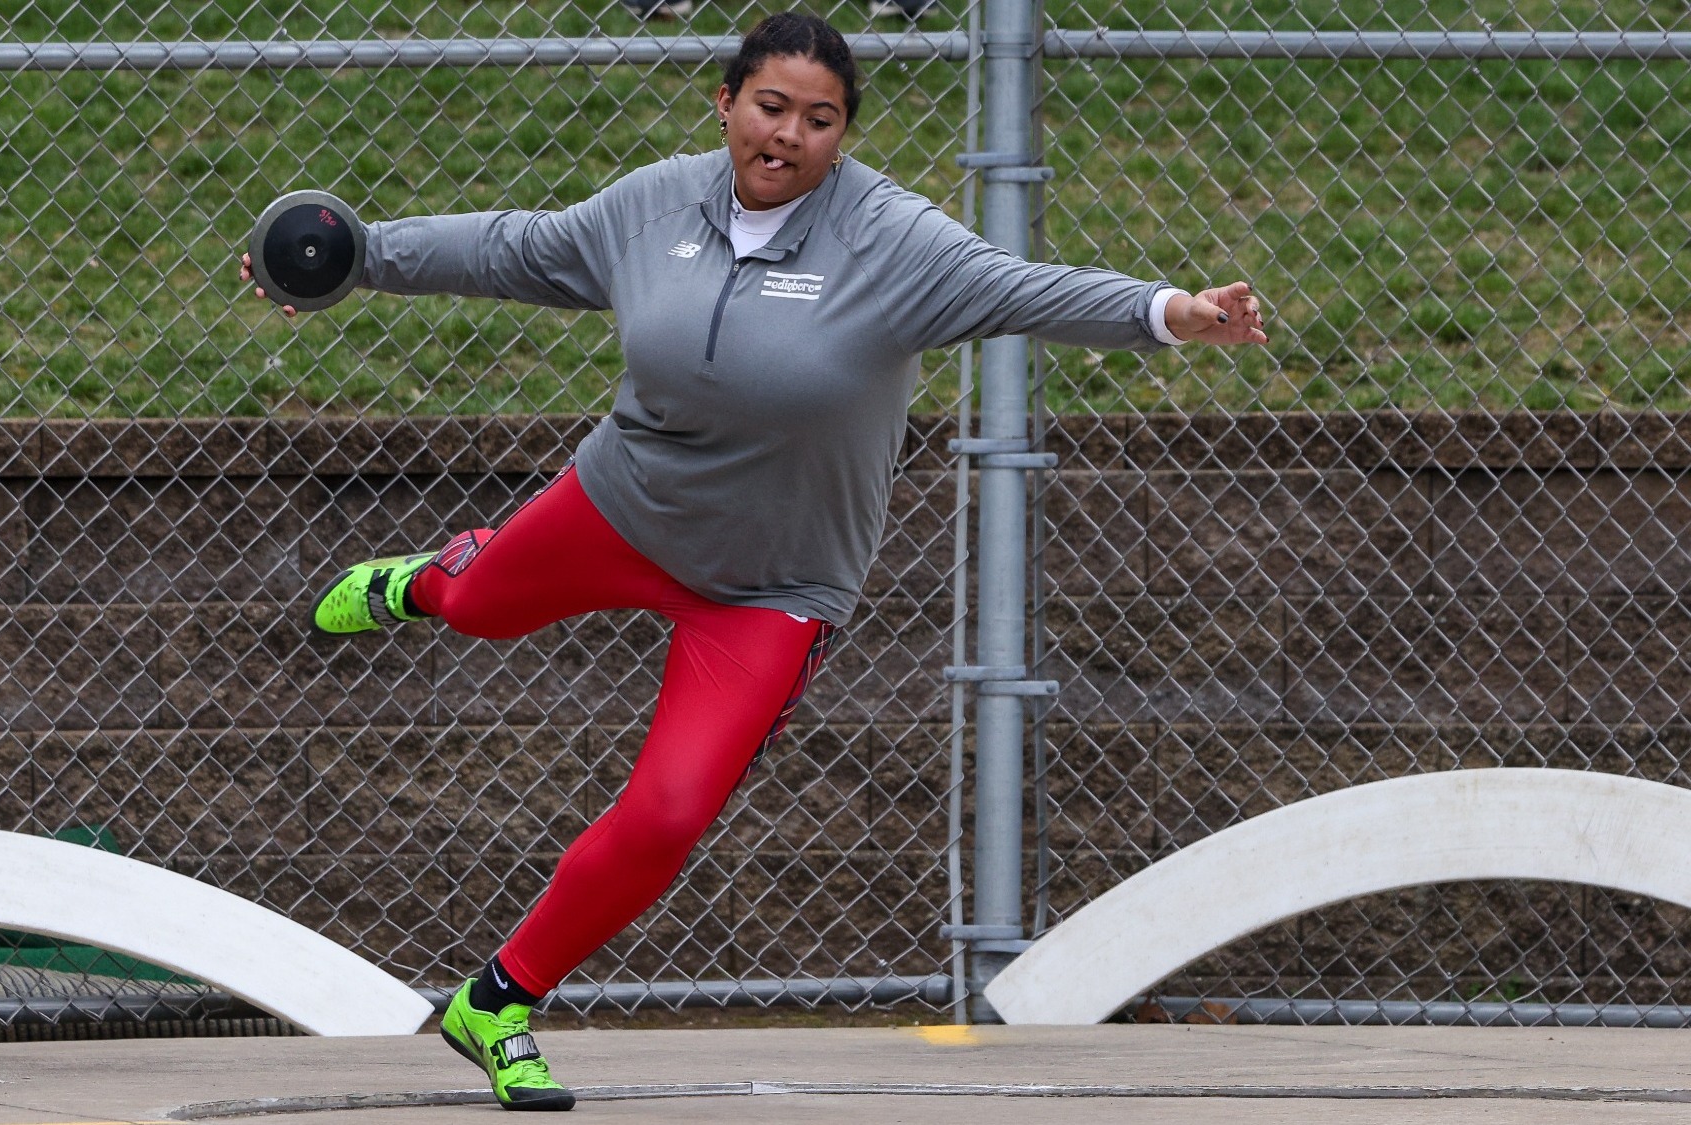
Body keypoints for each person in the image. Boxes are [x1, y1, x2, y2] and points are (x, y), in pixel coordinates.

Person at [242, 11, 1265, 1111]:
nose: (788, 136)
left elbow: (1029, 289)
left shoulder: (892, 244)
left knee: (672, 811)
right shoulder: (652, 206)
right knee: (481, 605)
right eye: (769, 108)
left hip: (773, 587)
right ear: (725, 104)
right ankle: (421, 581)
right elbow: (517, 248)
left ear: (842, 138)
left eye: (818, 121)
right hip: (626, 505)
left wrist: (1171, 314)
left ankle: (497, 1001)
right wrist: (355, 256)